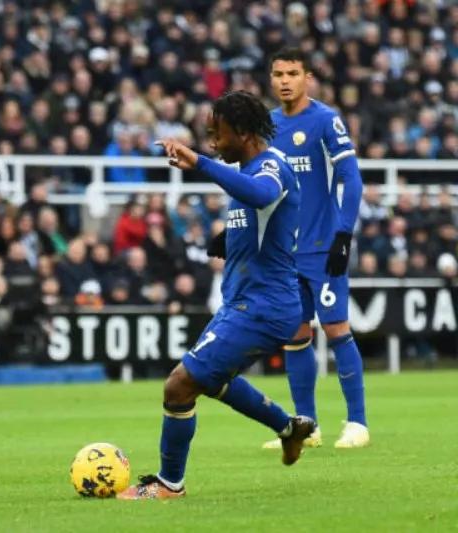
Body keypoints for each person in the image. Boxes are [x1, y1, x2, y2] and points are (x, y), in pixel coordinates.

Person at [118, 91, 315, 500]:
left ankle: (170, 485)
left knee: (179, 386)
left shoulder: (272, 166)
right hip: (244, 302)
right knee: (214, 381)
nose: (212, 143)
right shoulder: (247, 167)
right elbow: (265, 216)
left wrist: (199, 163)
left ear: (242, 132)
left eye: (217, 134)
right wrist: (232, 239)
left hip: (263, 306)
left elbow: (263, 195)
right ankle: (288, 428)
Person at [263, 47, 368, 449]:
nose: (285, 81)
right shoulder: (268, 126)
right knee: (295, 335)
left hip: (323, 247)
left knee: (337, 328)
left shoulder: (325, 120)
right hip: (282, 252)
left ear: (308, 77)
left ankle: (357, 423)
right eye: (278, 74)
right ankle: (307, 426)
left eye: (292, 73)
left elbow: (351, 178)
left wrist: (344, 234)